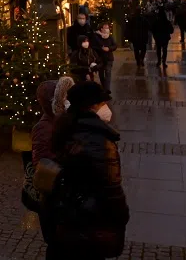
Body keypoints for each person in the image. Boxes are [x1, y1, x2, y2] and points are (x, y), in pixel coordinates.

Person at [47, 81, 129, 259]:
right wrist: (122, 215)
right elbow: (111, 187)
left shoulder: (66, 127)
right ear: (91, 106)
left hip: (67, 216)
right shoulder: (99, 141)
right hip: (90, 221)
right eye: (102, 103)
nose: (106, 107)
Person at [30, 77, 72, 259]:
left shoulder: (62, 121)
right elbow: (43, 164)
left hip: (63, 199)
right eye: (64, 96)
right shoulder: (44, 127)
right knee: (57, 246)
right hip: (55, 200)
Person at [92, 22, 117, 97]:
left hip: (109, 58)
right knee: (101, 74)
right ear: (101, 29)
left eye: (108, 28)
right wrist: (101, 49)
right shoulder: (96, 37)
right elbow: (94, 47)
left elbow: (115, 45)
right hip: (100, 59)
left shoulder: (110, 37)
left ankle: (107, 89)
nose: (107, 29)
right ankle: (104, 88)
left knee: (108, 73)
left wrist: (109, 48)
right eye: (105, 28)